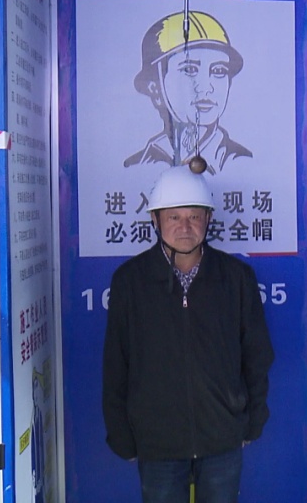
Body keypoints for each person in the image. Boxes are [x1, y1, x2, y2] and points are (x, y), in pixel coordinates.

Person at [102, 166, 274, 503]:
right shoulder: (130, 281)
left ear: (208, 219)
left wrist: (252, 422)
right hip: (157, 444)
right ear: (155, 220)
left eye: (194, 216)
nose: (185, 227)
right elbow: (115, 364)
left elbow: (257, 356)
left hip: (222, 439)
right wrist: (121, 435)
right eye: (174, 217)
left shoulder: (236, 277)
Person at [125, 11, 252, 174]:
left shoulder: (241, 160)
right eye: (189, 69)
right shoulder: (137, 164)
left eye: (219, 71)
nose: (206, 87)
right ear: (154, 87)